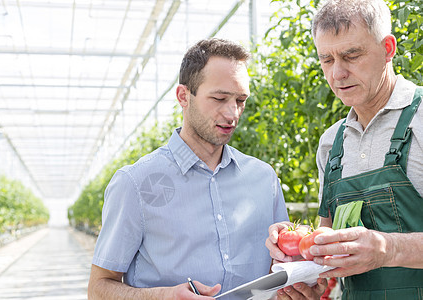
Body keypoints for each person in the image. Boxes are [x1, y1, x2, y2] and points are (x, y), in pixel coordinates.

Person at [87, 38, 291, 299]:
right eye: (219, 98)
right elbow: (99, 287)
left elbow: (283, 268)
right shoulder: (136, 183)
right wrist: (163, 296)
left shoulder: (264, 179)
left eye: (241, 100)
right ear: (184, 96)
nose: (232, 113)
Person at [266, 0, 423, 299]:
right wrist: (302, 260)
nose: (337, 73)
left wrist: (388, 249)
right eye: (326, 59)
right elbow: (327, 260)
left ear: (388, 48)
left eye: (351, 55)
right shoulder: (331, 143)